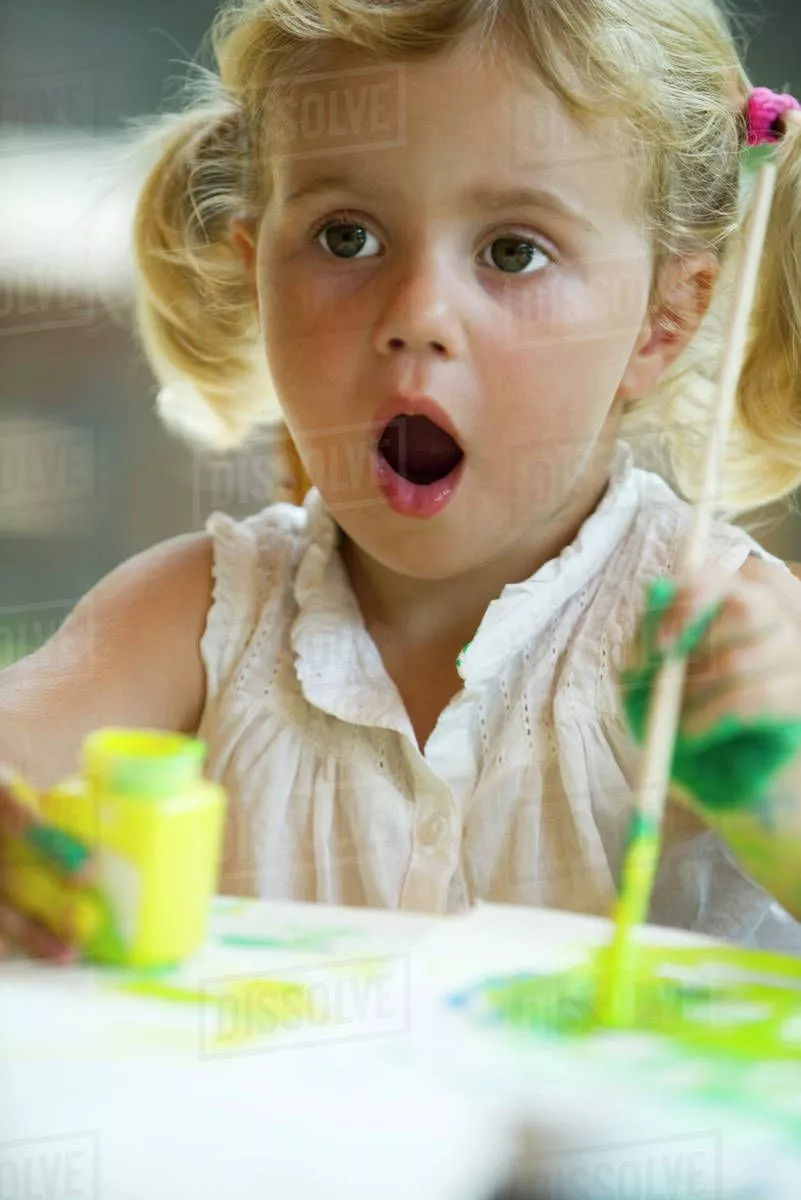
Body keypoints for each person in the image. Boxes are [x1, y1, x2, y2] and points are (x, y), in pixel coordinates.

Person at [2, 0, 801, 962]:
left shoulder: (730, 639)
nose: (416, 313)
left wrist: (778, 798)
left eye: (513, 251)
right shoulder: (193, 623)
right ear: (258, 275)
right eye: (347, 238)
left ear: (659, 322)